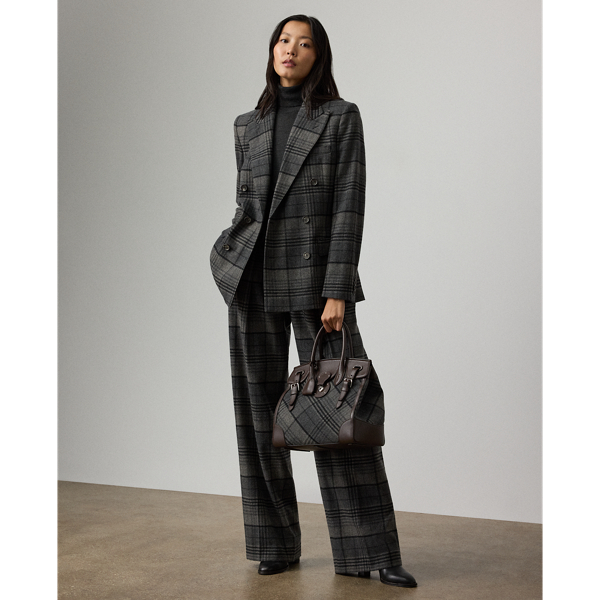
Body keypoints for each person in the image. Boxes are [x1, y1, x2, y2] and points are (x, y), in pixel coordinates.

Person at [209, 14, 417, 588]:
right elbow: (248, 206)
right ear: (271, 50)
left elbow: (349, 205)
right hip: (252, 280)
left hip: (315, 281)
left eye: (303, 44)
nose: (290, 50)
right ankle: (273, 544)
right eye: (283, 40)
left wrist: (337, 289)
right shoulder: (246, 126)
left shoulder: (340, 117)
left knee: (339, 415)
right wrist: (226, 256)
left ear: (317, 57)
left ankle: (371, 552)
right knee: (258, 418)